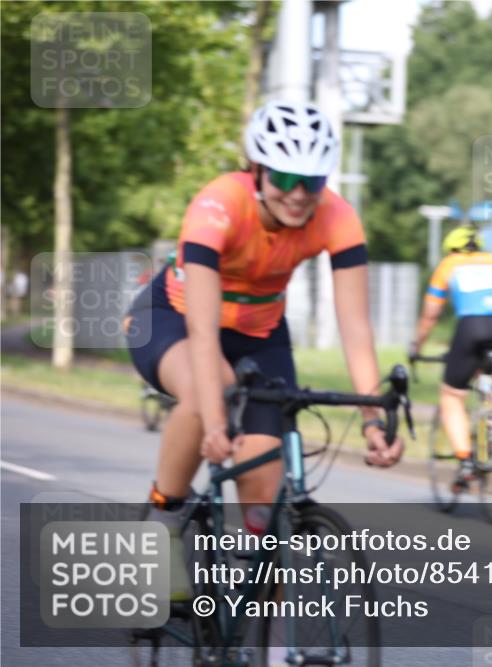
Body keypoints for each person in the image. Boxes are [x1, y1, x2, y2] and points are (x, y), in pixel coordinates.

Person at [124, 101, 403, 597]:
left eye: (312, 181)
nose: (298, 194)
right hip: (174, 320)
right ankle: (163, 521)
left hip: (260, 333)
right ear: (255, 169)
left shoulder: (338, 217)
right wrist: (213, 421)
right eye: (285, 176)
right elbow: (204, 332)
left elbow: (356, 327)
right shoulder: (217, 205)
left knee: (264, 494)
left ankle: (264, 636)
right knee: (214, 389)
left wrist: (371, 419)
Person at [409, 226, 492, 486]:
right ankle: (488, 440)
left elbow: (430, 315)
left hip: (473, 326)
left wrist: (417, 347)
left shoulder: (448, 264)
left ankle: (466, 462)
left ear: (451, 248)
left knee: (451, 395)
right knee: (486, 379)